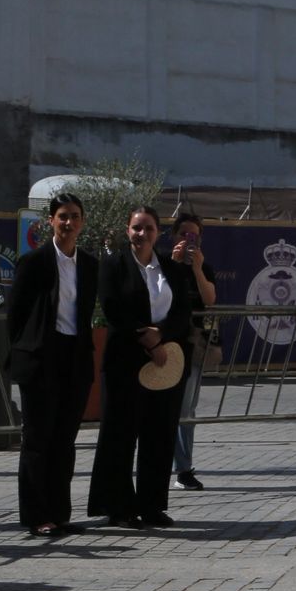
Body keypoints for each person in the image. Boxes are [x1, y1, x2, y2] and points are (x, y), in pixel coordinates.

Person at [87, 207, 196, 530]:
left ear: (157, 232)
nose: (141, 234)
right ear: (127, 230)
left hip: (165, 362)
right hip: (126, 360)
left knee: (159, 434)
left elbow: (182, 311)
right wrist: (147, 339)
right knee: (120, 434)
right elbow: (113, 308)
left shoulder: (171, 270)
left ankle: (152, 505)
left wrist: (161, 336)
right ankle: (118, 507)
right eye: (136, 228)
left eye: (148, 228)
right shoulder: (113, 265)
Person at [5, 192, 97, 538]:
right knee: (38, 440)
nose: (69, 223)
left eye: (74, 216)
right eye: (62, 217)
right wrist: (23, 352)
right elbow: (16, 316)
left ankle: (59, 513)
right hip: (41, 357)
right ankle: (36, 515)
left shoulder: (89, 264)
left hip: (74, 357)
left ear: (82, 222)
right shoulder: (34, 262)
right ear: (51, 222)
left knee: (64, 441)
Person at [167, 209, 217, 491]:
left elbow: (210, 298)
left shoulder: (203, 266)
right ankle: (174, 464)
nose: (189, 241)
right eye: (184, 235)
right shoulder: (163, 263)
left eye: (194, 236)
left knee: (187, 408)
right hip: (166, 343)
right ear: (174, 236)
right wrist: (174, 265)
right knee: (170, 408)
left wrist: (197, 268)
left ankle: (184, 467)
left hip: (193, 343)